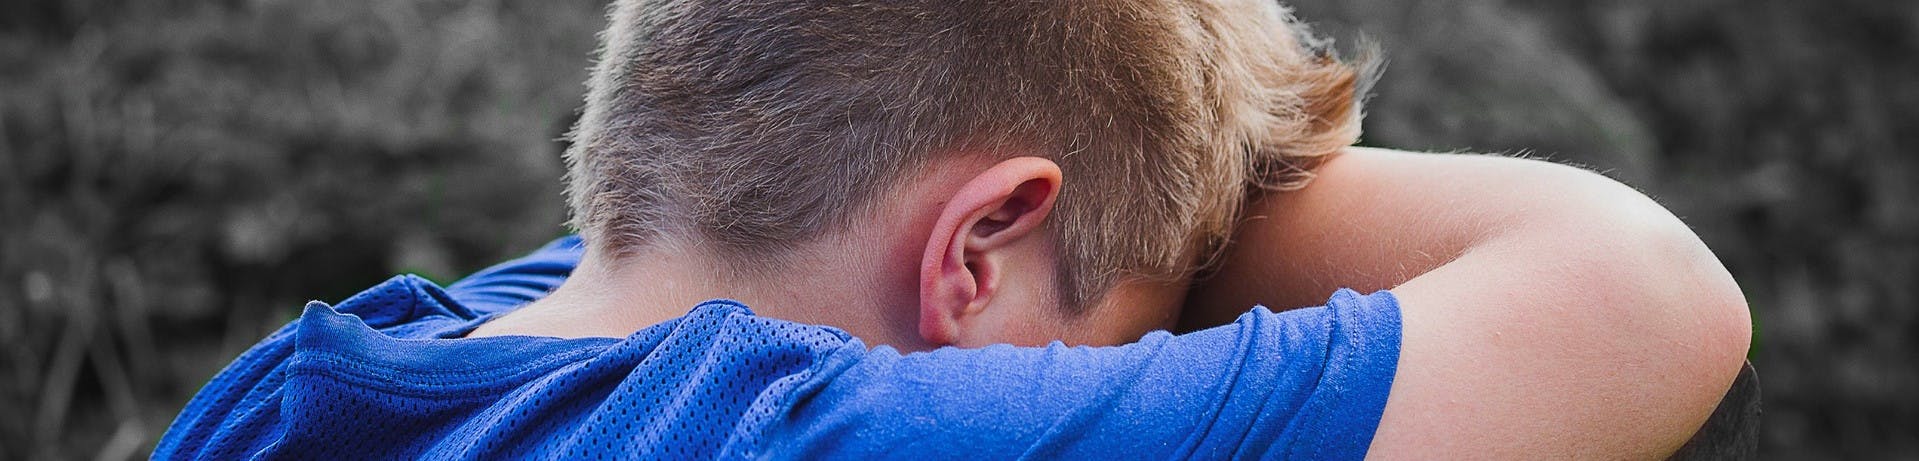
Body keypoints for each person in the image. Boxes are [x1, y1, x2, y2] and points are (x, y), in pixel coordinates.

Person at [155, 0, 1752, 459]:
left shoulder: (304, 390)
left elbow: (675, 219)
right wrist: (1201, 224)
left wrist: (1162, 194)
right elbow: (1647, 293)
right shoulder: (813, 430)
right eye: (1136, 346)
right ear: (975, 253)